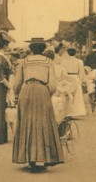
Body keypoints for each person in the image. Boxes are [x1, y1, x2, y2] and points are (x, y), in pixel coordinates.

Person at [13, 37, 64, 170]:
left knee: (27, 123)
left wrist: (17, 94)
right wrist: (48, 93)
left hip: (27, 90)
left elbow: (17, 82)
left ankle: (29, 158)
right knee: (43, 123)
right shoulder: (48, 61)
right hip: (42, 91)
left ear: (30, 49)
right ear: (43, 50)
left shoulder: (24, 61)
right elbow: (52, 84)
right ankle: (44, 156)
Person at [61, 45, 87, 117]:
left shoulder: (63, 61)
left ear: (68, 53)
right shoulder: (79, 61)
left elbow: (62, 71)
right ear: (75, 53)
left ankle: (67, 112)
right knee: (76, 95)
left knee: (67, 94)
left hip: (67, 78)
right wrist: (83, 81)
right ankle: (76, 112)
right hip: (76, 77)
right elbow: (81, 72)